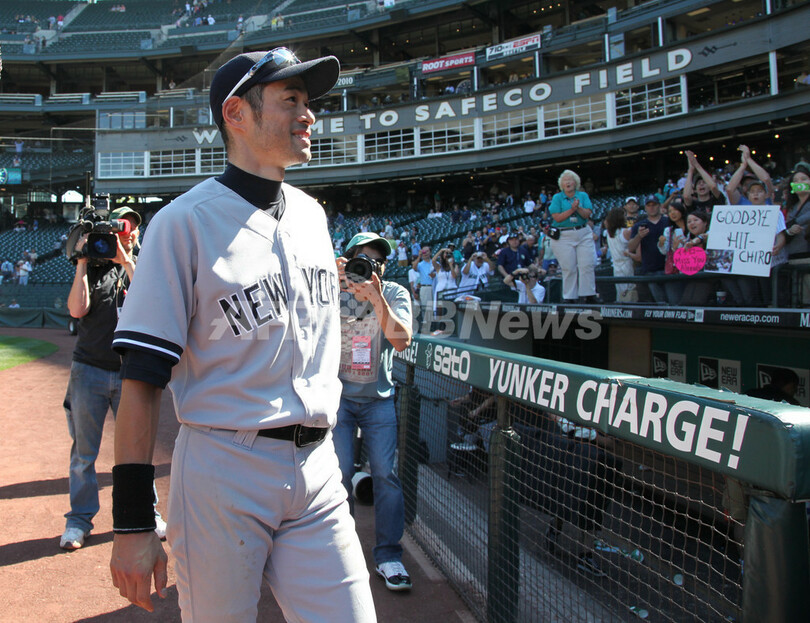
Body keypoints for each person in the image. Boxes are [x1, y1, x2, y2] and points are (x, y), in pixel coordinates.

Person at [108, 49, 376, 621]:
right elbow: (141, 380)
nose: (308, 115)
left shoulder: (312, 215)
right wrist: (132, 519)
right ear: (236, 113)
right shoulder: (182, 223)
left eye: (308, 102)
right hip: (224, 465)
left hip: (319, 469)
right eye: (290, 100)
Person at [60, 206, 165, 551]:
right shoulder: (95, 266)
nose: (128, 233)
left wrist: (126, 262)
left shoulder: (145, 266)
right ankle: (79, 521)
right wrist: (82, 262)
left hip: (130, 372)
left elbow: (154, 301)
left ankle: (147, 513)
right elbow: (77, 310)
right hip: (88, 367)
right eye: (121, 228)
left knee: (138, 450)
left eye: (132, 228)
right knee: (84, 454)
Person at [333, 232, 413, 592]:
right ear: (347, 259)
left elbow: (401, 340)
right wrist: (327, 278)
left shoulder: (393, 293)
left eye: (376, 261)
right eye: (362, 259)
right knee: (338, 476)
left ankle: (388, 554)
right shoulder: (331, 289)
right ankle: (342, 553)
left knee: (385, 475)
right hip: (338, 399)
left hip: (379, 399)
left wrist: (376, 297)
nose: (369, 267)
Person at [548, 169, 597, 303]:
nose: (568, 182)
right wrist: (572, 210)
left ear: (576, 183)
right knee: (569, 267)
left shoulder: (583, 196)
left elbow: (587, 214)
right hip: (564, 234)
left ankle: (589, 294)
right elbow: (557, 217)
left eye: (570, 180)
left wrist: (578, 208)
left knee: (587, 264)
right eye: (565, 180)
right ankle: (569, 297)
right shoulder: (558, 197)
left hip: (582, 231)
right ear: (561, 184)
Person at [627, 196, 670, 303]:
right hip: (650, 269)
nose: (651, 208)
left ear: (659, 206)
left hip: (669, 268)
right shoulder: (638, 226)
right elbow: (631, 247)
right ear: (645, 208)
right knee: (660, 302)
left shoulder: (668, 221)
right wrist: (639, 236)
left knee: (673, 301)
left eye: (654, 205)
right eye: (649, 205)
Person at [604, 207, 636, 303]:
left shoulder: (609, 233)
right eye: (625, 216)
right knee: (629, 292)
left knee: (620, 293)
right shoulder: (626, 232)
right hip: (626, 264)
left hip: (616, 266)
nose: (626, 218)